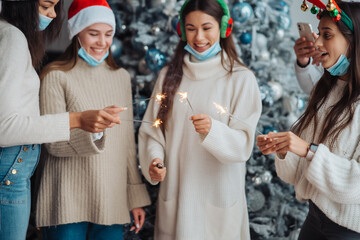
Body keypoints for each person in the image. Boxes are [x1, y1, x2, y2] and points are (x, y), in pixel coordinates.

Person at [138, 0, 262, 239]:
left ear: (224, 28)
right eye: (191, 29)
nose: (199, 37)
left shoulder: (241, 79)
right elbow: (153, 132)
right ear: (182, 31)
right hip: (177, 202)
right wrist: (154, 159)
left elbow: (243, 145)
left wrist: (213, 131)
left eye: (207, 28)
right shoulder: (168, 77)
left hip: (220, 205)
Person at [0, 1, 122, 239]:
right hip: (11, 171)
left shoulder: (120, 77)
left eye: (109, 34)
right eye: (46, 6)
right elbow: (5, 128)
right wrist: (76, 120)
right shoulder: (13, 38)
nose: (53, 15)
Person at [35, 0, 151, 239]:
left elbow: (127, 146)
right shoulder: (55, 76)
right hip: (66, 202)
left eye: (108, 34)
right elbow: (52, 143)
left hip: (112, 199)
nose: (102, 42)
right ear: (77, 32)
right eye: (93, 33)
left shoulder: (120, 77)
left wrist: (134, 198)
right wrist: (95, 130)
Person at [257, 1, 360, 239]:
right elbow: (297, 171)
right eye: (318, 34)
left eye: (327, 35)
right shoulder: (325, 90)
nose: (317, 43)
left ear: (354, 41)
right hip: (314, 221)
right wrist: (283, 148)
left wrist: (308, 150)